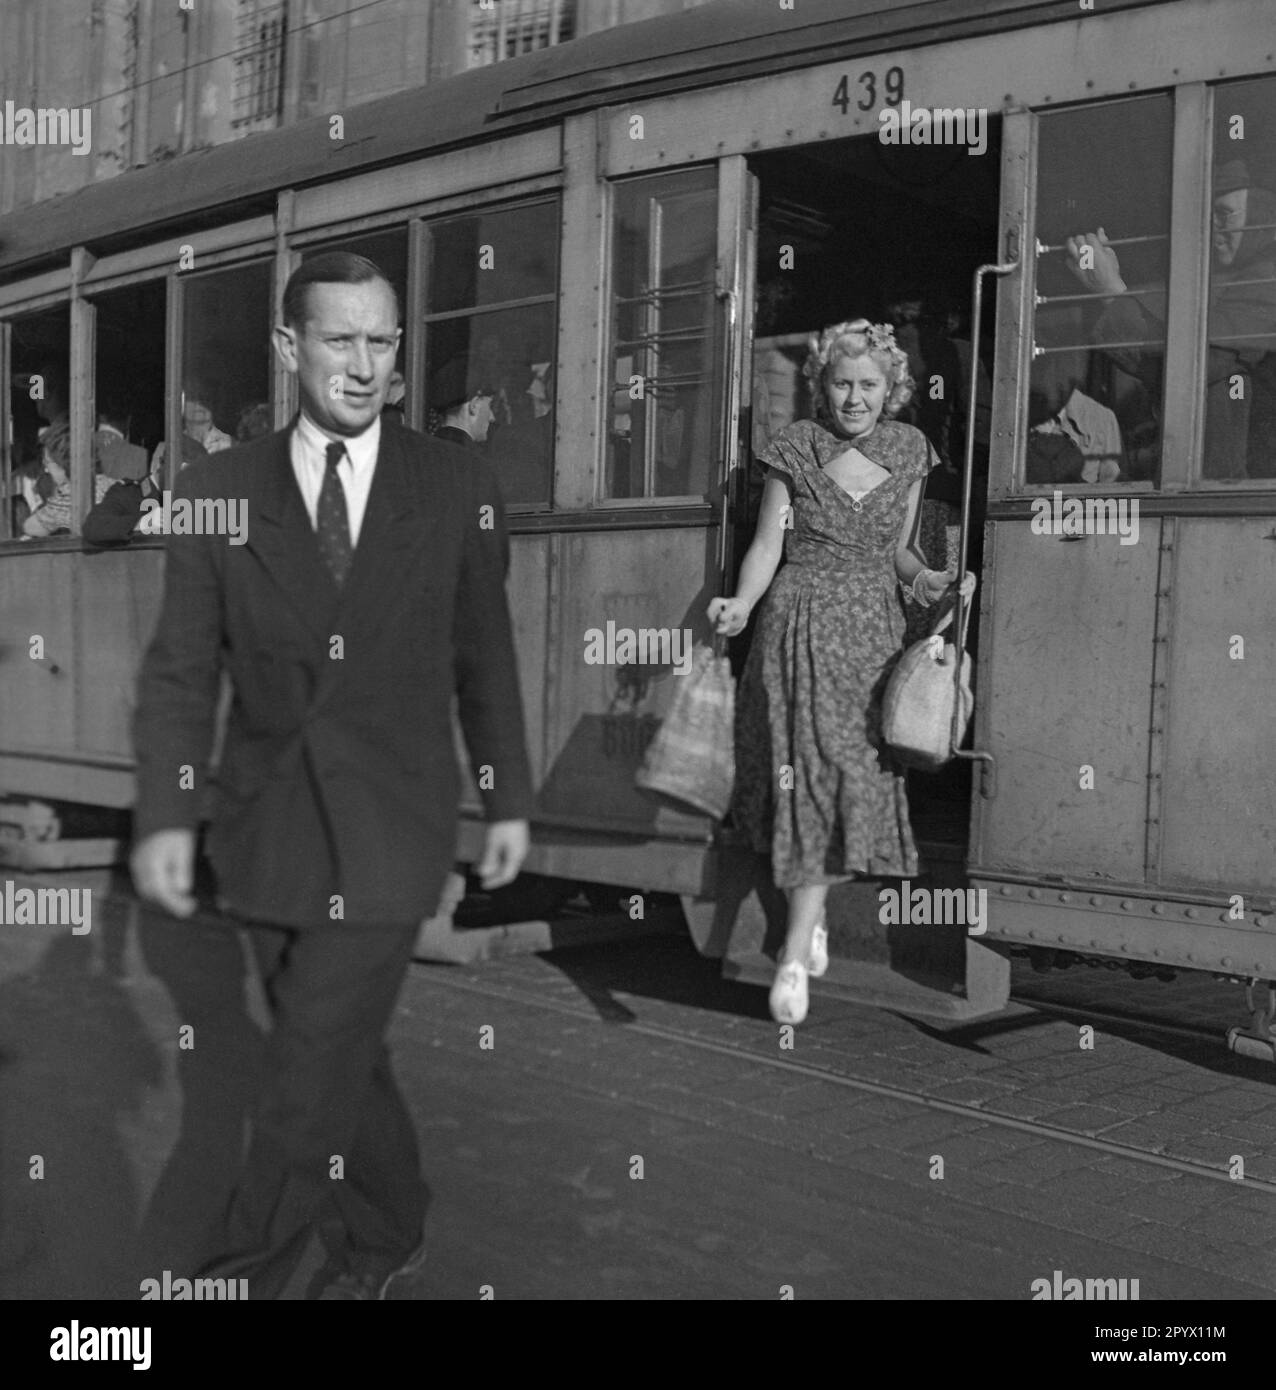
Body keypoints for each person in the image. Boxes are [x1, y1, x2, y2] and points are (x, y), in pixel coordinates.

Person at [129, 252, 533, 1299]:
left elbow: (484, 656)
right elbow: (181, 667)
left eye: (382, 342)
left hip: (390, 827)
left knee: (306, 1064)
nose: (364, 365)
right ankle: (392, 1228)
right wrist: (170, 816)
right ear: (288, 346)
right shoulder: (217, 490)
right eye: (340, 339)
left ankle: (233, 1275)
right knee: (341, 1048)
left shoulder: (453, 486)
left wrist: (506, 798)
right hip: (262, 826)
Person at [708, 319, 976, 1026]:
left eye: (869, 385)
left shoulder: (910, 449)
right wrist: (740, 601)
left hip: (871, 639)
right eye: (841, 383)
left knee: (847, 773)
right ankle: (795, 950)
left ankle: (812, 907)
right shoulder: (796, 447)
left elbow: (899, 554)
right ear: (821, 386)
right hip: (798, 626)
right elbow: (769, 544)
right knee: (811, 772)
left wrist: (933, 583)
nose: (854, 397)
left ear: (892, 389)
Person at [1066, 159, 1276, 479]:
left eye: (1224, 213)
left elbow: (1202, 364)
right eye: (1206, 217)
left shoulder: (1265, 280)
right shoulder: (1221, 283)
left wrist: (1111, 291)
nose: (1213, 229)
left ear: (1264, 213)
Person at [430, 356, 495, 447]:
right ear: (474, 405)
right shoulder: (472, 459)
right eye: (490, 405)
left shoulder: (424, 451)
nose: (492, 417)